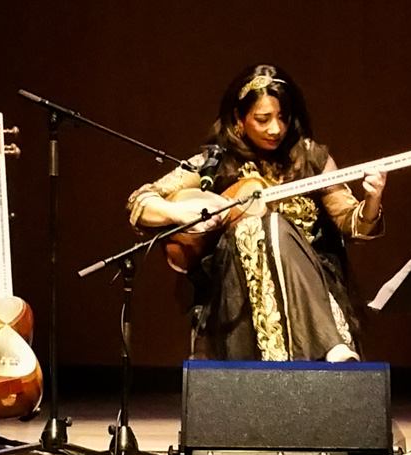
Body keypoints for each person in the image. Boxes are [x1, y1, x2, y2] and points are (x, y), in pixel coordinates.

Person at [127, 64, 386, 362]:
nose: (275, 129)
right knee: (260, 226)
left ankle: (327, 344)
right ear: (239, 120)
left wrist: (373, 197)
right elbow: (140, 202)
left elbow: (352, 222)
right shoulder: (214, 162)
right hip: (237, 289)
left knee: (274, 224)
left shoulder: (311, 158)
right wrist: (179, 213)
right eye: (263, 119)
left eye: (282, 118)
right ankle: (327, 345)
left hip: (307, 284)